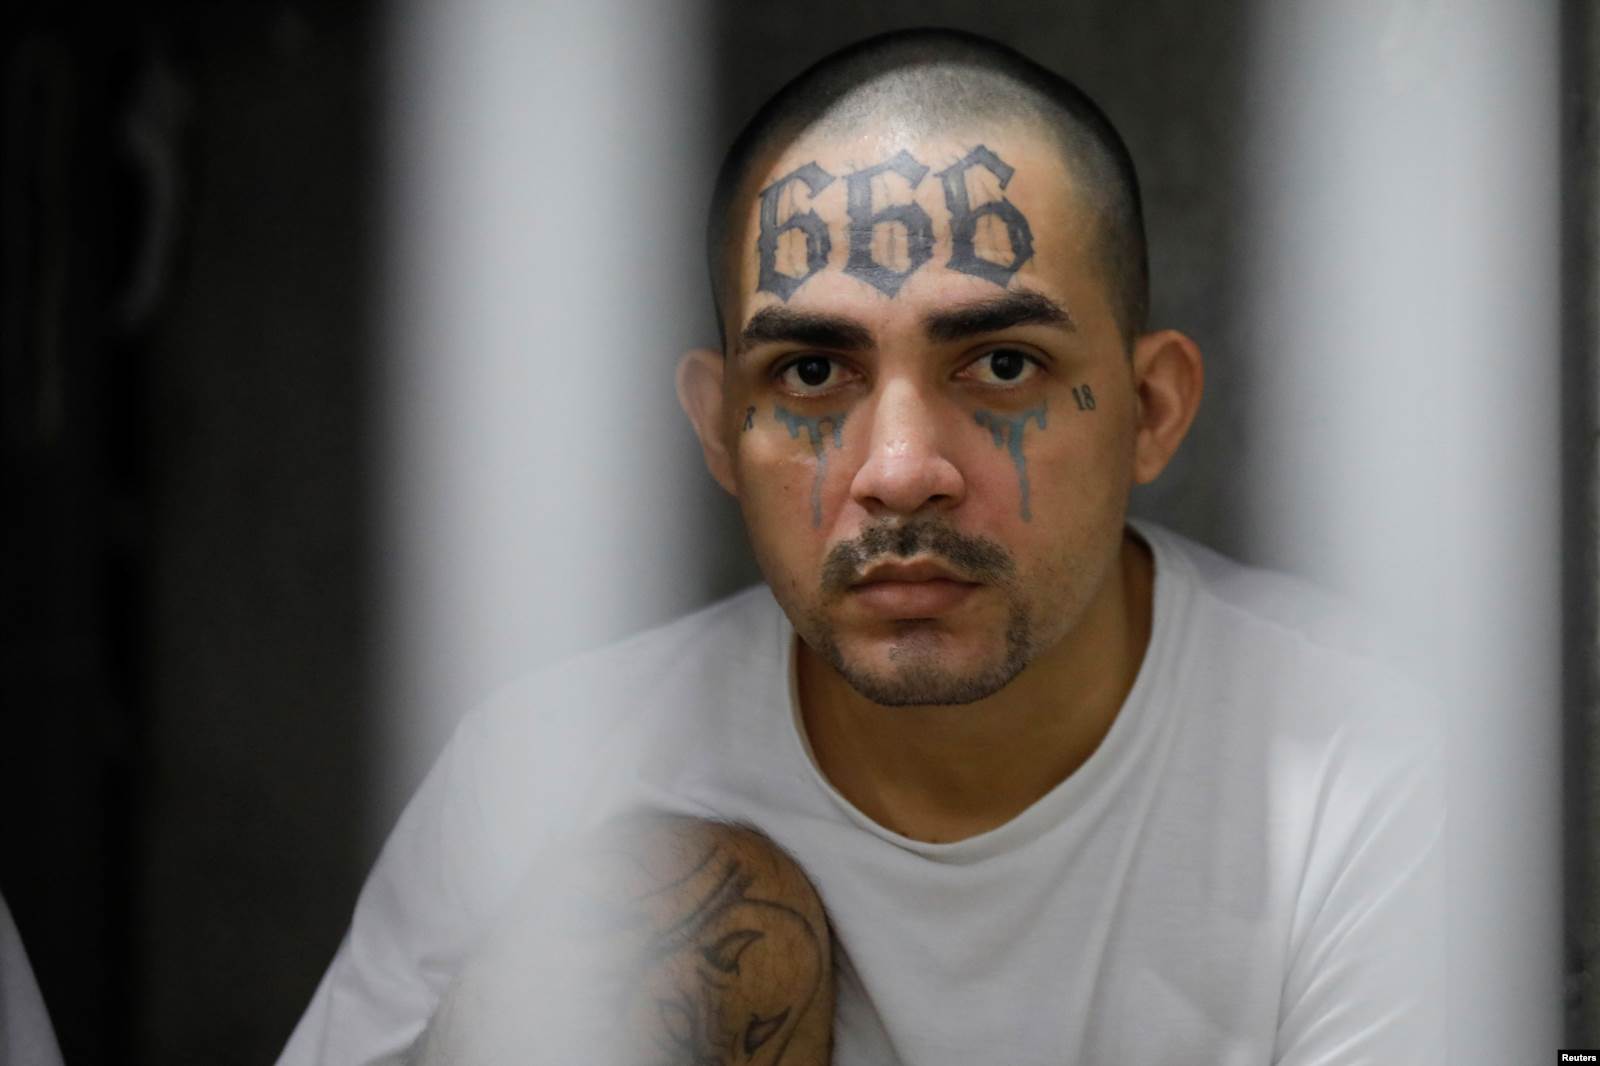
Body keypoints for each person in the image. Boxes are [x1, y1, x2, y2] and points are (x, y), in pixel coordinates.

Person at [278, 27, 1443, 1065]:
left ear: (1150, 409)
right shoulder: (545, 771)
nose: (898, 470)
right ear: (719, 429)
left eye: (1000, 365)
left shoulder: (1349, 759)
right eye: (810, 372)